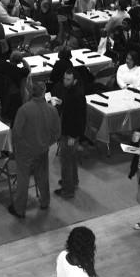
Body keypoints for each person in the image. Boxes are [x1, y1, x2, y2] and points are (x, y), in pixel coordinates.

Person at [8, 80, 61, 218]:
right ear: (44, 92)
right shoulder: (52, 110)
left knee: (23, 179)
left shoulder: (24, 110)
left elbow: (16, 133)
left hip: (25, 152)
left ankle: (20, 209)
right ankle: (45, 201)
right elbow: (57, 133)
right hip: (42, 149)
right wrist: (47, 143)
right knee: (43, 177)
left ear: (31, 91)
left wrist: (16, 148)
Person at [54, 69, 86, 200]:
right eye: (64, 78)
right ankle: (73, 181)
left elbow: (79, 117)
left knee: (66, 160)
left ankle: (68, 190)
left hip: (70, 133)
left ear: (75, 81)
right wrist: (62, 103)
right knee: (71, 159)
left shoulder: (77, 95)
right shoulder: (70, 91)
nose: (65, 81)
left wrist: (73, 136)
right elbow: (70, 109)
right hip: (68, 130)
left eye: (68, 79)